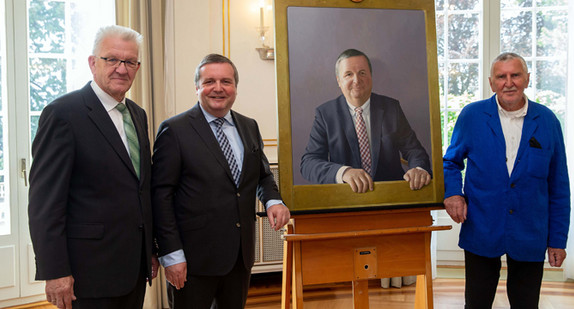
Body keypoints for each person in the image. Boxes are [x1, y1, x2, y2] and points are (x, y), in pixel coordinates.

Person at [28, 25, 158, 309]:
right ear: (92, 63)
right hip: (87, 272)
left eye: (129, 62)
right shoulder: (63, 114)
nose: (121, 69)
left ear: (137, 67)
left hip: (132, 268)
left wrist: (150, 247)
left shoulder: (137, 114)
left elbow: (141, 189)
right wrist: (55, 271)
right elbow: (45, 203)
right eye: (112, 59)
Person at [152, 53, 291, 308]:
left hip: (240, 256)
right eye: (209, 81)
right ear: (197, 87)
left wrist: (273, 200)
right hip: (192, 260)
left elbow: (262, 175)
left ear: (235, 87)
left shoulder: (249, 126)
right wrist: (171, 254)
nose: (218, 88)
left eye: (226, 81)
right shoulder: (175, 130)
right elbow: (161, 196)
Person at [443, 52, 570, 308]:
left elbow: (559, 185)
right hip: (482, 225)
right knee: (476, 303)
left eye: (515, 75)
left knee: (526, 304)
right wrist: (453, 193)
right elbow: (451, 162)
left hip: (530, 230)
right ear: (492, 83)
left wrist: (557, 239)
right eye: (501, 76)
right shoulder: (472, 116)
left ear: (527, 79)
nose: (508, 82)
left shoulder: (547, 121)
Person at [300, 48, 431, 193]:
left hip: (391, 196)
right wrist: (344, 172)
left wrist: (418, 169)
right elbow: (308, 163)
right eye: (348, 74)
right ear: (339, 81)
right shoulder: (325, 114)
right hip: (345, 199)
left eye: (362, 73)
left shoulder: (391, 108)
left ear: (371, 76)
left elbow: (414, 150)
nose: (356, 80)